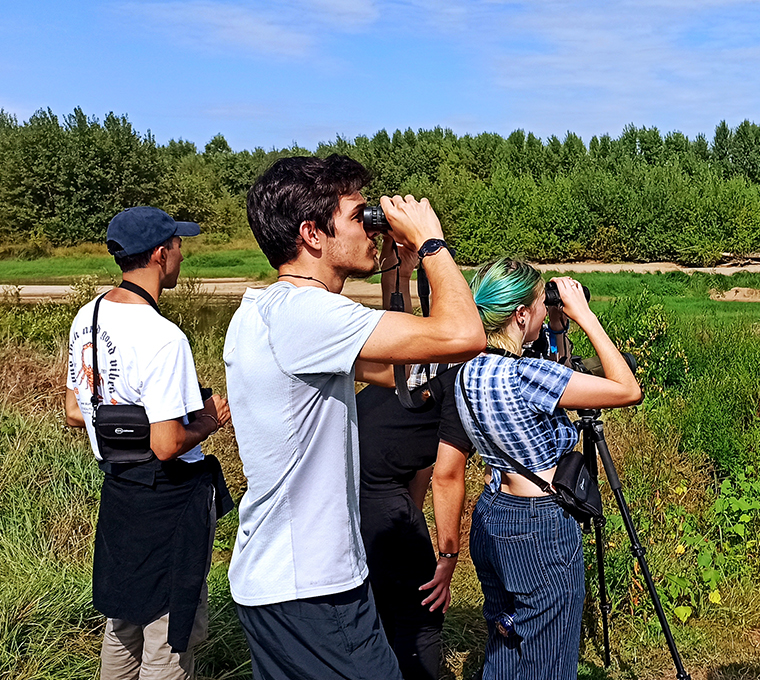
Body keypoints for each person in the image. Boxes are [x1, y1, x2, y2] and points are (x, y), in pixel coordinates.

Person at [223, 155, 485, 679]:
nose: (371, 228)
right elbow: (464, 336)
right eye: (358, 215)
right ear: (313, 234)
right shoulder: (308, 314)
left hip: (276, 580)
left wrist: (401, 272)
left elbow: (404, 371)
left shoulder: (268, 309)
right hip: (313, 587)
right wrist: (433, 243)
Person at [64, 206, 233, 680]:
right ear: (160, 254)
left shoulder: (88, 315)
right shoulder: (164, 336)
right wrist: (207, 420)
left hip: (120, 493)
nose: (182, 253)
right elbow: (166, 443)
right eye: (179, 245)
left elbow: (76, 411)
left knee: (123, 623)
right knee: (170, 635)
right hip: (169, 502)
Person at [454, 259, 641, 680]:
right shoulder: (525, 375)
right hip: (539, 526)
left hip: (492, 512)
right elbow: (627, 389)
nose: (545, 308)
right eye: (541, 303)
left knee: (506, 638)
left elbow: (552, 377)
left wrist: (556, 328)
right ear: (520, 314)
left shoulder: (468, 370)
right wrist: (585, 315)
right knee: (550, 658)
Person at [353, 238, 471, 680]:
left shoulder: (423, 349)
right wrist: (446, 559)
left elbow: (421, 463)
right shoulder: (461, 362)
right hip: (378, 493)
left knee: (384, 600)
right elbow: (446, 475)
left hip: (354, 481)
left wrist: (396, 268)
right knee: (422, 613)